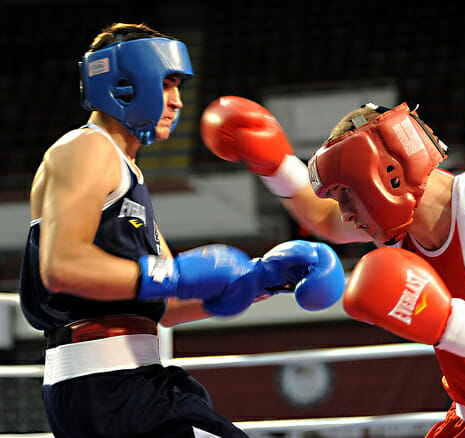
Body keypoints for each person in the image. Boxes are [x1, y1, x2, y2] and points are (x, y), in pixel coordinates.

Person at [200, 96, 465, 437]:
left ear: (384, 175)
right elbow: (322, 219)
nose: (344, 212)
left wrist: (443, 322)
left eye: (347, 193)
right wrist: (274, 163)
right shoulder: (396, 223)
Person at [18, 24, 345, 438]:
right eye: (167, 83)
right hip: (108, 385)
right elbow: (61, 265)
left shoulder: (124, 172)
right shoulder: (85, 149)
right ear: (124, 82)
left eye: (179, 86)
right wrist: (178, 274)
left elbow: (168, 304)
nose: (177, 101)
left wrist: (258, 278)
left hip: (121, 384)